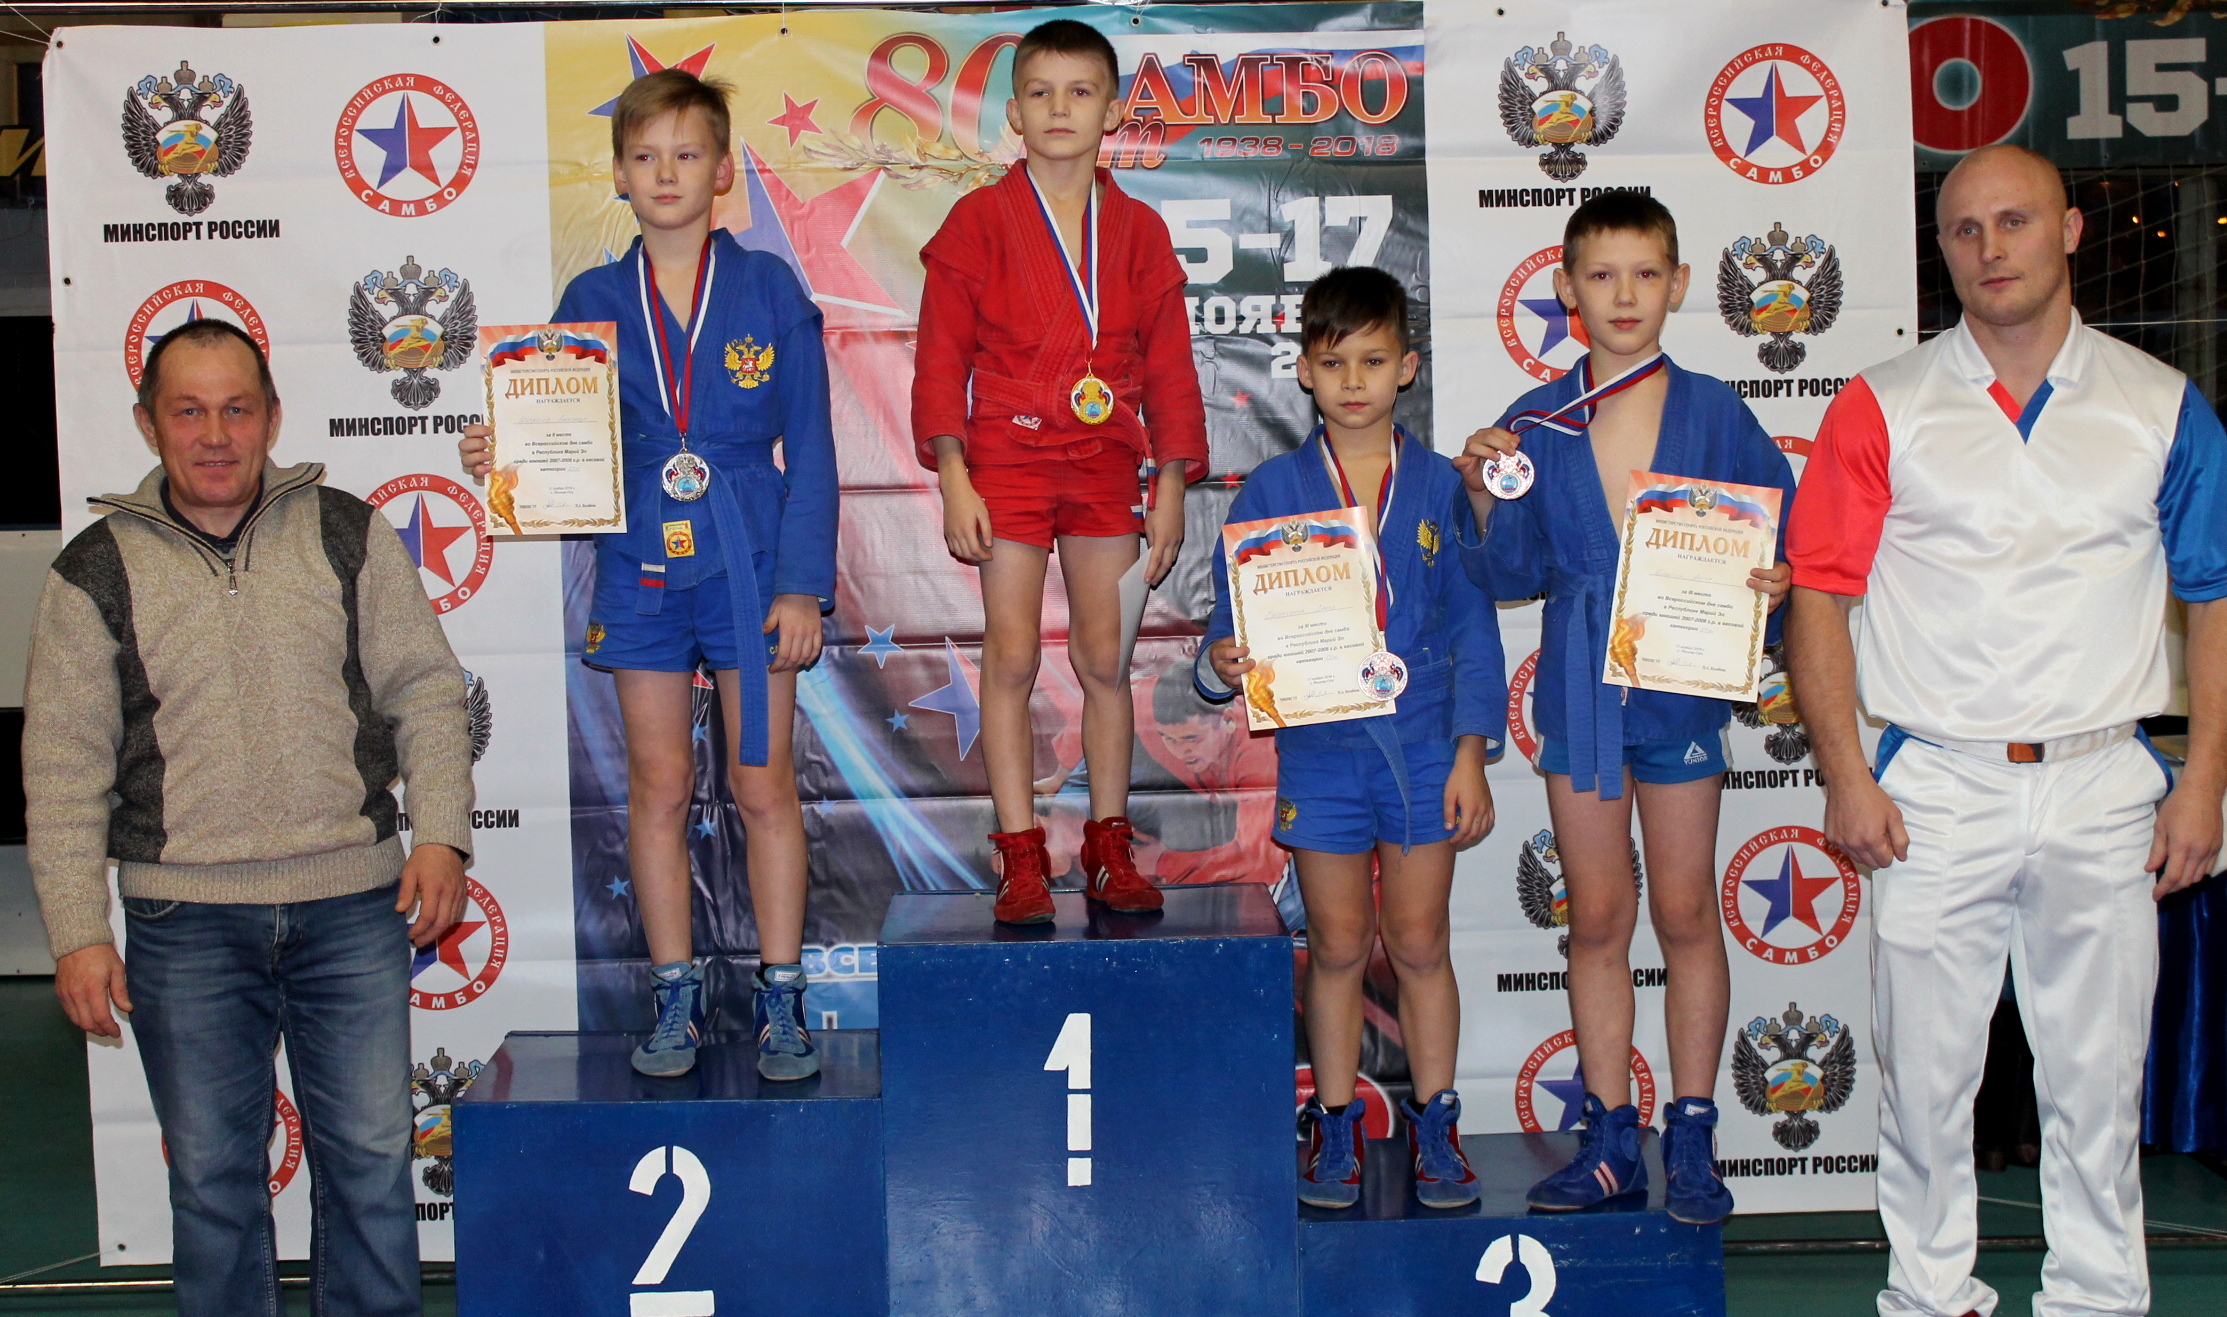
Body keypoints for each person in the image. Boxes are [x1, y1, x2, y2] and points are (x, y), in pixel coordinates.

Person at [1785, 144, 2226, 1317]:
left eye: (2015, 221)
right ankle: (1928, 1296)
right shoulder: (1880, 404)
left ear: (2070, 231)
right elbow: (1818, 595)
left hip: (2102, 778)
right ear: (1941, 250)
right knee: (1924, 1083)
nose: (1990, 249)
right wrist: (1845, 774)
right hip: (1935, 783)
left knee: (2097, 1079)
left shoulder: (2159, 406)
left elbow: (2214, 596)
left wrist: (2204, 783)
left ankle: (2099, 1296)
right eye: (1965, 229)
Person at [26, 318, 473, 1317]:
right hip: (183, 923)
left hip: (353, 907)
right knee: (213, 1180)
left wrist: (440, 832)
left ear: (272, 417)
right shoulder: (92, 571)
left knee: (371, 1164)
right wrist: (77, 933)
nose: (215, 434)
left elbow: (427, 689)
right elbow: (60, 767)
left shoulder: (348, 533)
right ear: (147, 423)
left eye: (236, 408)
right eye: (188, 411)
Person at [461, 69, 837, 1080]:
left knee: (761, 781)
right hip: (641, 566)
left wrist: (802, 584)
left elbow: (813, 444)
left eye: (685, 154)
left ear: (721, 172)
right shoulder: (590, 301)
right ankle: (675, 994)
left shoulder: (769, 289)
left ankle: (782, 996)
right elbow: (558, 434)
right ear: (618, 175)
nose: (665, 173)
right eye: (644, 156)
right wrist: (501, 453)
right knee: (660, 783)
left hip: (752, 563)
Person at [1458, 192, 1795, 1225]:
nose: (1623, 295)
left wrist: (1774, 585)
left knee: (1686, 912)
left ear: (1678, 285)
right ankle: (1609, 1137)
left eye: (1645, 274)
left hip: (1682, 685)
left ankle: (1689, 1132)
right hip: (1580, 691)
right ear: (1566, 288)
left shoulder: (1716, 413)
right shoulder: (1535, 421)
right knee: (1598, 918)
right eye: (1600, 275)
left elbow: (1779, 545)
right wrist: (1484, 499)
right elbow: (1509, 574)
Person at [1201, 266, 1505, 1209]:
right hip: (1323, 753)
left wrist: (1470, 753)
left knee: (1417, 941)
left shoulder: (1440, 485)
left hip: (1423, 749)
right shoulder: (1270, 490)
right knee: (1335, 945)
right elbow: (1226, 625)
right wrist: (1223, 659)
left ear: (1406, 367)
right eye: (1334, 363)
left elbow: (1472, 627)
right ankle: (1332, 1122)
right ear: (1303, 371)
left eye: (1373, 361)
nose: (1353, 381)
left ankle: (1436, 1124)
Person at [912, 18, 1206, 924]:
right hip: (1005, 454)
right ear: (1014, 112)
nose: (1059, 109)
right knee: (1009, 654)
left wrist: (1169, 481)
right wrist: (953, 472)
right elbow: (939, 359)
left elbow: (1169, 367)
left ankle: (1109, 845)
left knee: (1103, 658)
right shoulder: (978, 220)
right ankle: (1019, 854)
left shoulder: (1138, 229)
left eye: (1080, 92)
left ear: (1111, 110)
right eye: (1039, 93)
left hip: (1105, 457)